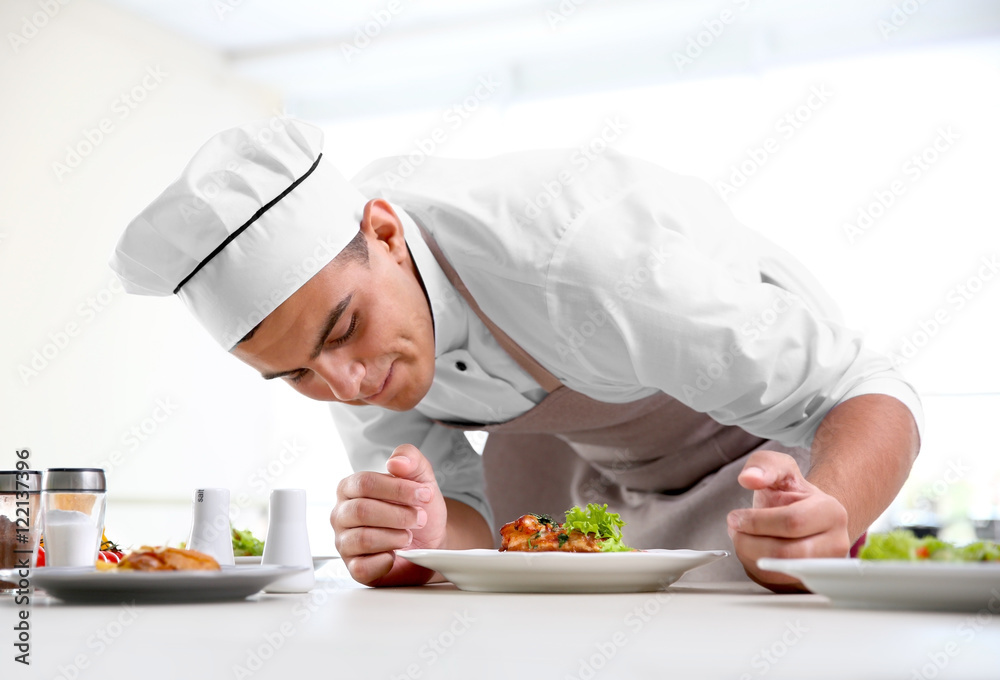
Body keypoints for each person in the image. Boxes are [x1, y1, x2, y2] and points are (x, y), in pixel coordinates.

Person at [110, 117, 922, 591]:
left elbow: (864, 387)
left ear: (386, 234)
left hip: (775, 458)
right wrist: (418, 533)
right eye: (292, 375)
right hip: (590, 470)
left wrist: (827, 511)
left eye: (342, 332)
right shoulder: (339, 346)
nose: (345, 384)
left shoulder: (592, 260)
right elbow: (472, 523)